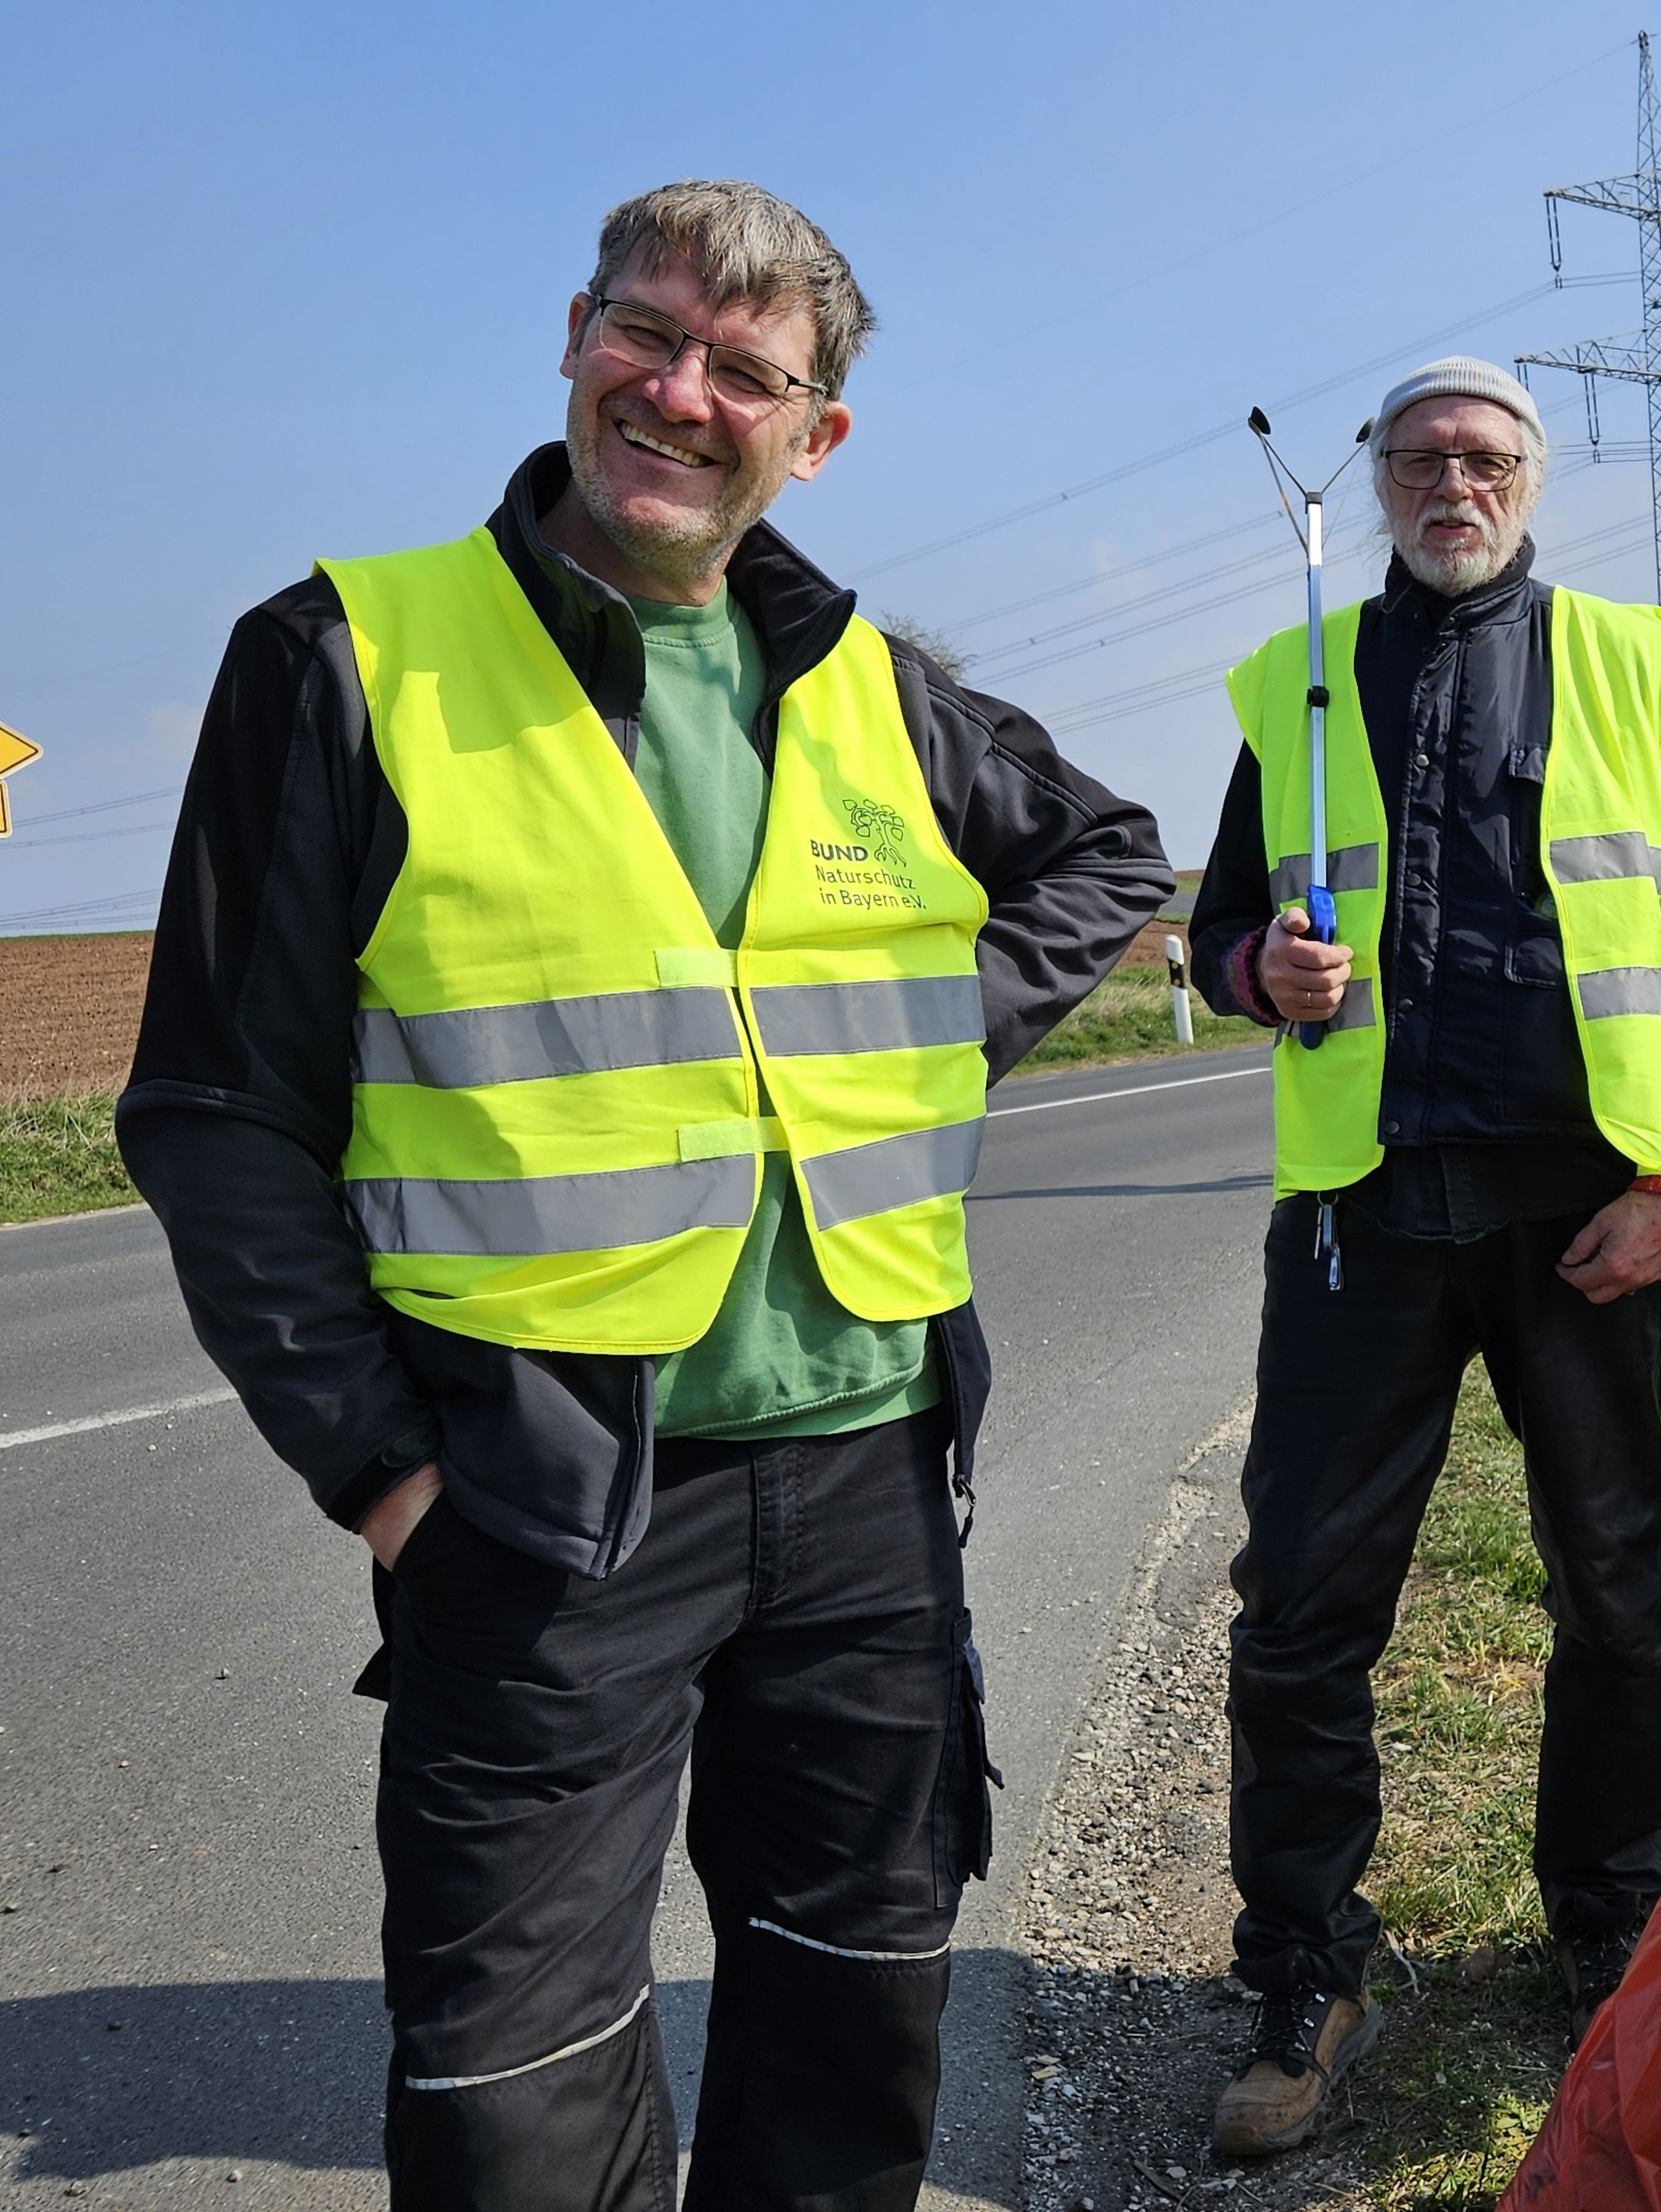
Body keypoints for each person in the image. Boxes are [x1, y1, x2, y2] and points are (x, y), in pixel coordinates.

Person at [117, 179, 1170, 2209]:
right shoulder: (342, 658)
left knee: (853, 2025)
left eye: (743, 369)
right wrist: (385, 1474)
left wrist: (932, 1030)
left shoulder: (871, 680)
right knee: (511, 2088)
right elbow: (217, 1114)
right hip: (538, 1495)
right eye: (646, 334)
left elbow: (1104, 853)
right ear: (575, 339)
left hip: (869, 1475)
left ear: (815, 434)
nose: (680, 393)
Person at [1184, 356, 1661, 2153]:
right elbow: (1217, 935)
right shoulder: (1295, 683)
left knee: (1618, 1592)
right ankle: (1305, 1969)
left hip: (1583, 1216)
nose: (1457, 483)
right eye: (1425, 457)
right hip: (1363, 1217)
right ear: (1377, 478)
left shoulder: (1627, 666)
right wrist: (1256, 973)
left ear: (1533, 478)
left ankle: (1607, 1926)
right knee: (1301, 1608)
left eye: (1488, 458)